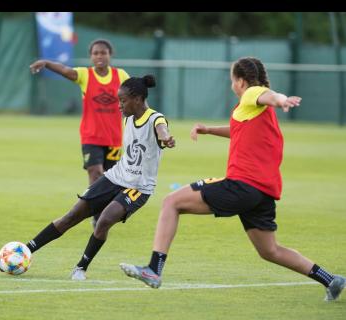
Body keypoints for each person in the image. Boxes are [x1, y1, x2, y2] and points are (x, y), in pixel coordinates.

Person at [120, 57, 345, 302]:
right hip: (262, 192)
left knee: (171, 202)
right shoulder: (252, 111)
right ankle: (330, 279)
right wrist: (208, 130)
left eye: (231, 81)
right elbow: (238, 129)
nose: (231, 85)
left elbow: (267, 94)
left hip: (242, 184)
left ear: (240, 81)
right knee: (270, 250)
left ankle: (154, 269)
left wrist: (281, 99)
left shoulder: (251, 95)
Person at [24, 75, 175, 280]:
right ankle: (24, 251)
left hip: (138, 187)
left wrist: (166, 138)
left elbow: (161, 129)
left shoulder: (155, 118)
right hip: (114, 177)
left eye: (123, 100)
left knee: (104, 220)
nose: (119, 105)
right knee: (72, 216)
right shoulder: (128, 118)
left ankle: (80, 268)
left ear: (138, 99)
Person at [29, 39, 129, 217]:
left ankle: (103, 210)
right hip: (91, 136)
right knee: (95, 172)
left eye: (103, 52)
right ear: (90, 56)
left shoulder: (121, 76)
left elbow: (134, 95)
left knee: (111, 178)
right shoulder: (85, 75)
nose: (99, 56)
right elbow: (65, 70)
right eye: (95, 53)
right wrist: (46, 63)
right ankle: (96, 215)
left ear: (110, 55)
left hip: (114, 137)